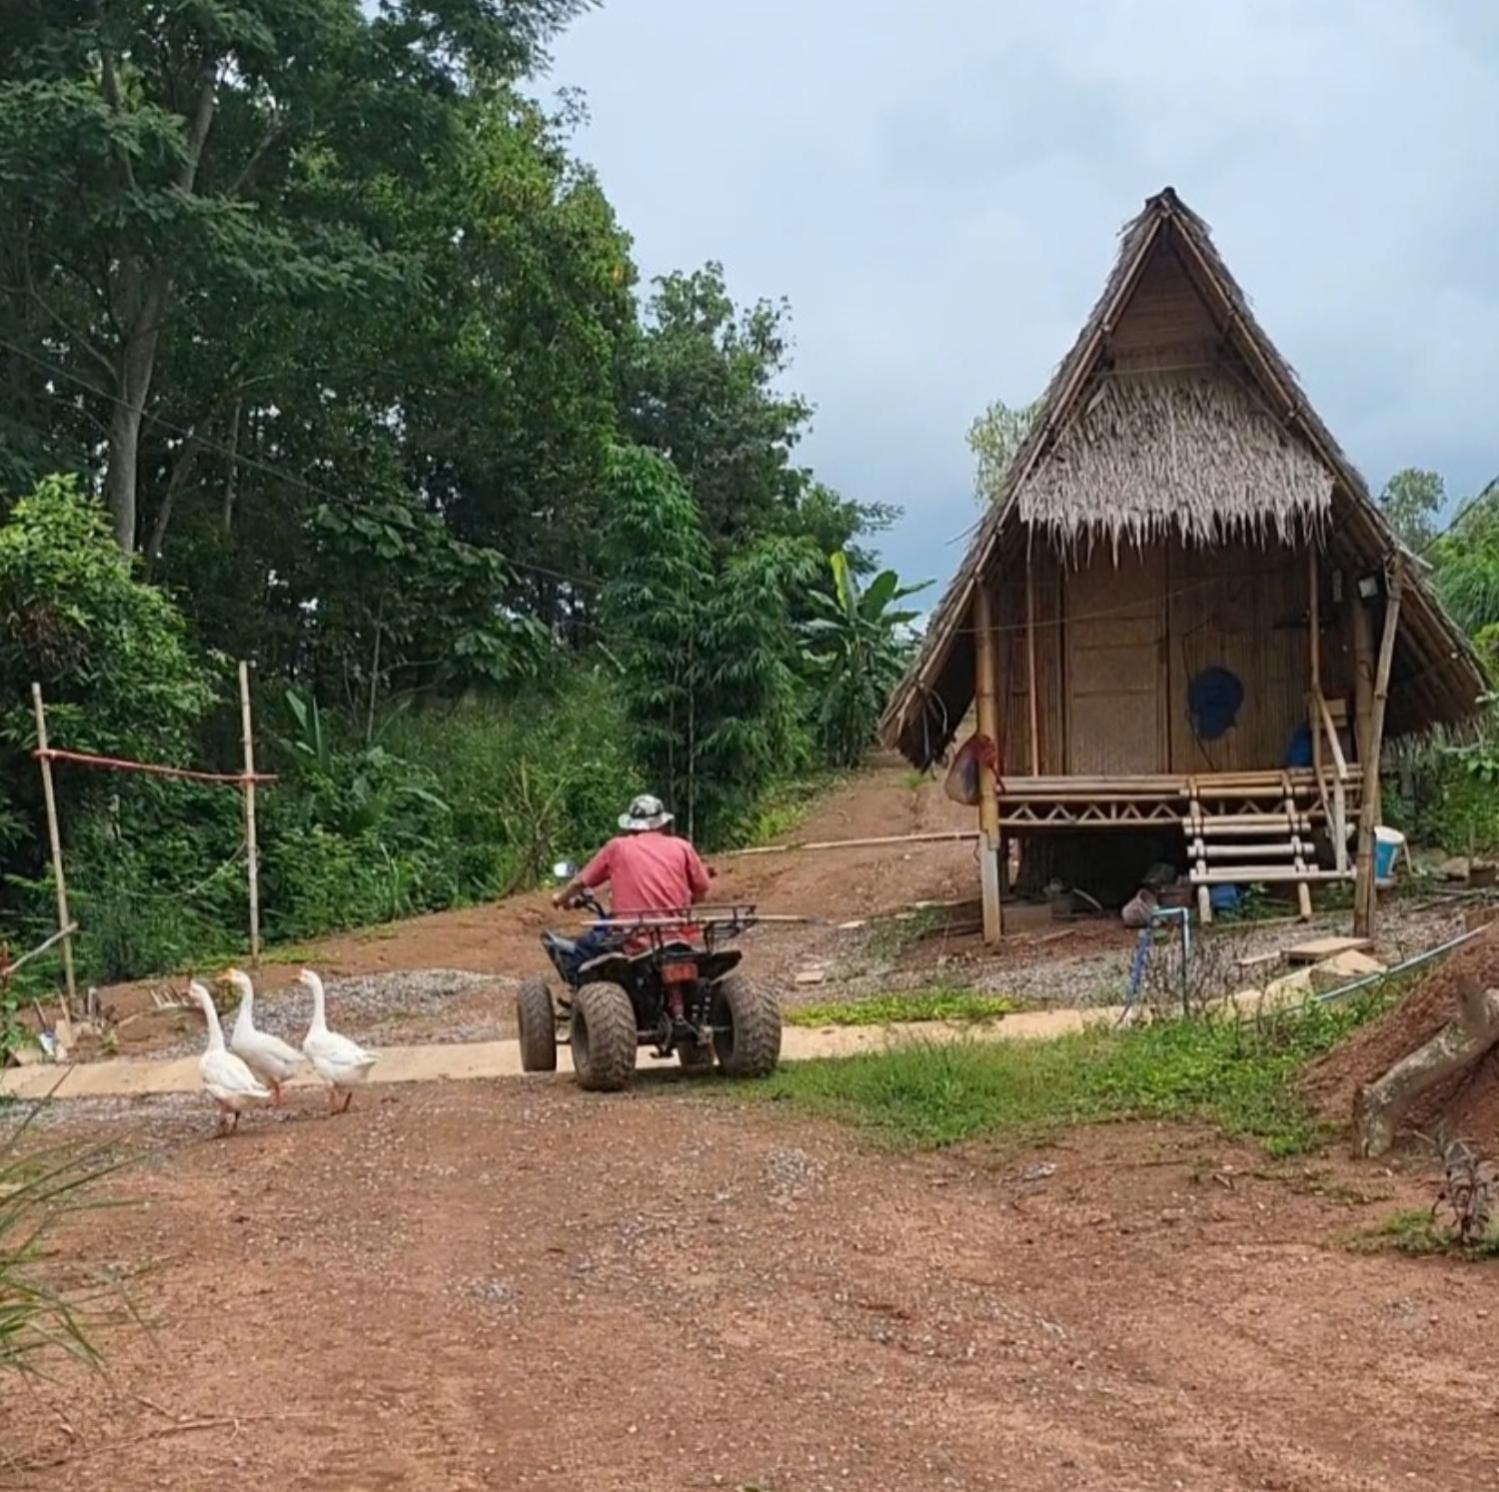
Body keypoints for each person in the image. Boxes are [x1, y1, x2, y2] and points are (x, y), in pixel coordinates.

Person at [551, 794, 712, 983]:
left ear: (631, 825)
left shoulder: (617, 847)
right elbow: (701, 893)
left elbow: (580, 882)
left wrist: (561, 898)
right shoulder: (683, 847)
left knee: (582, 951)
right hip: (678, 938)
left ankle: (581, 1001)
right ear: (661, 823)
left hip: (632, 938)